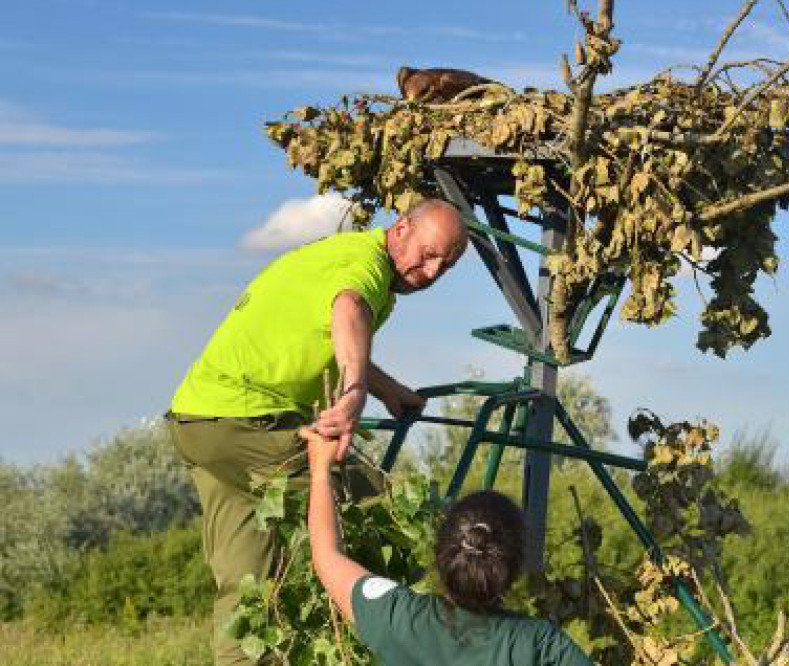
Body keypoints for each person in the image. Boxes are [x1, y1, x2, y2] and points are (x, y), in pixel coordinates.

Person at [166, 199, 468, 666]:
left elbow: (330, 327)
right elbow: (349, 309)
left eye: (444, 267)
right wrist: (355, 392)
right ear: (401, 228)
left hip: (199, 422)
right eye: (428, 255)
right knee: (380, 505)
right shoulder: (364, 264)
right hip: (247, 419)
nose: (429, 273)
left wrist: (388, 389)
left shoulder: (345, 256)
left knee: (247, 582)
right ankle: (451, 639)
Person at [301, 426, 595, 665]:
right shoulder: (540, 644)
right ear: (515, 566)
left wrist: (319, 471)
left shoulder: (397, 616)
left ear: (440, 550)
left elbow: (326, 554)